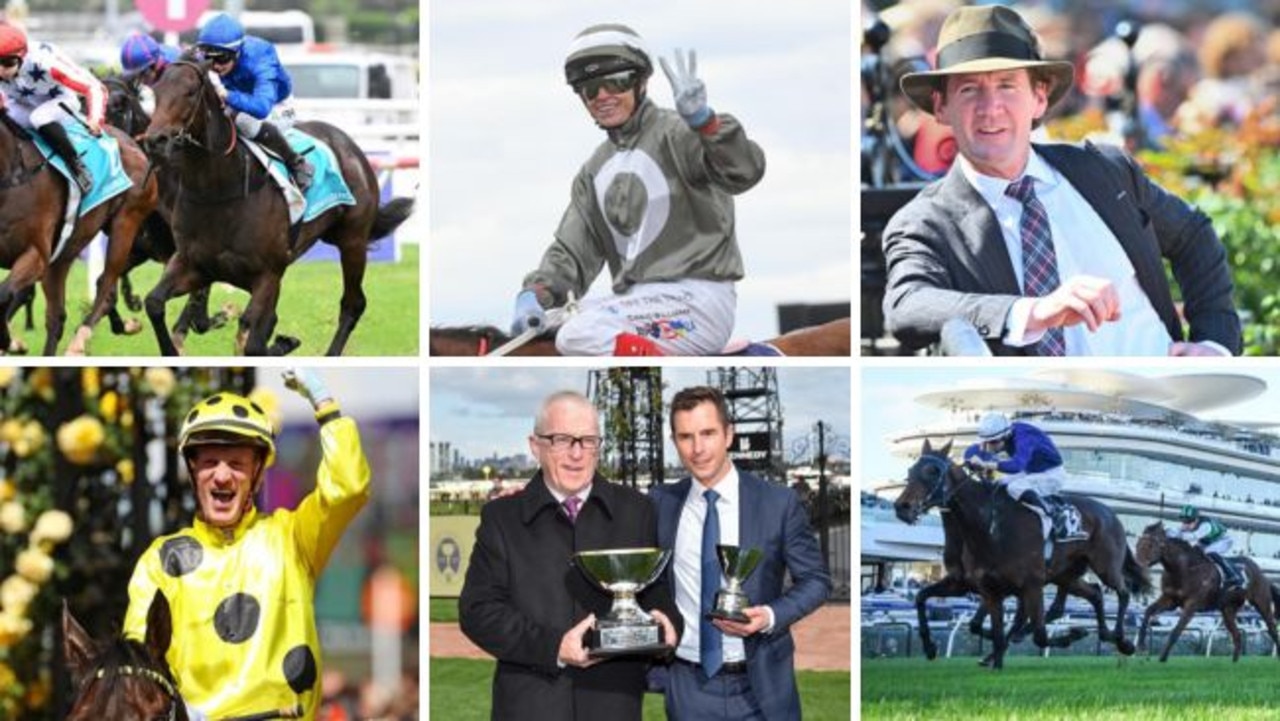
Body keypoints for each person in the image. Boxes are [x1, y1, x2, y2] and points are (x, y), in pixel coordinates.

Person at [880, 5, 1241, 356]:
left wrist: (1215, 345)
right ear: (941, 107)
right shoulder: (925, 222)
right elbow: (908, 304)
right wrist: (1031, 312)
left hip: (1164, 394)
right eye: (969, 90)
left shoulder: (1104, 170)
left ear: (1039, 99)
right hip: (1050, 410)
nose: (991, 108)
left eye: (1007, 85)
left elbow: (1193, 235)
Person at [124, 369, 370, 720]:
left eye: (237, 464)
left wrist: (324, 404)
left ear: (256, 475)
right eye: (209, 462)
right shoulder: (161, 560)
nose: (222, 476)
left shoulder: (291, 539)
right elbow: (139, 658)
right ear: (193, 472)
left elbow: (348, 489)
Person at [511, 23, 766, 357]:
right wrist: (535, 293)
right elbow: (571, 252)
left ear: (642, 81)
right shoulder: (593, 170)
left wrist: (707, 123)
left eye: (615, 82)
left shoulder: (680, 133)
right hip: (637, 302)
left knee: (578, 334)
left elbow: (744, 172)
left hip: (699, 300)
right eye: (589, 88)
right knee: (550, 333)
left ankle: (657, 384)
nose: (602, 96)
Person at [459, 390, 680, 720]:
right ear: (536, 446)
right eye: (562, 440)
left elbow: (655, 589)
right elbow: (478, 611)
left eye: (588, 441)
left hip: (613, 704)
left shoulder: (637, 510)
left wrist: (668, 620)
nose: (577, 454)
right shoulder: (502, 518)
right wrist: (553, 648)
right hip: (530, 706)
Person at [650, 386, 830, 720]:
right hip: (689, 686)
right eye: (686, 436)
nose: (698, 448)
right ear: (674, 442)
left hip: (760, 686)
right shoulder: (660, 504)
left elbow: (816, 581)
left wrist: (770, 616)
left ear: (729, 434)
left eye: (708, 433)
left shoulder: (778, 502)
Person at [195, 13, 314, 190]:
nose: (215, 66)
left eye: (222, 59)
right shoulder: (211, 55)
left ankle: (297, 163)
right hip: (238, 98)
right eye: (209, 59)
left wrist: (227, 96)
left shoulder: (261, 57)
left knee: (245, 123)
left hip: (275, 104)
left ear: (237, 52)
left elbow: (261, 108)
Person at [0, 22, 103, 193]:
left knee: (39, 118)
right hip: (24, 103)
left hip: (61, 100)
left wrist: (95, 118)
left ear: (23, 56)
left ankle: (76, 164)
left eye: (7, 63)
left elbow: (94, 87)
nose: (0, 71)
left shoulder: (44, 62)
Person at [963, 411, 1086, 542]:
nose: (988, 447)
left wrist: (986, 464)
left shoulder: (1024, 437)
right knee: (999, 483)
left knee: (1015, 488)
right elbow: (980, 450)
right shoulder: (1005, 433)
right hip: (1032, 471)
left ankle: (1055, 515)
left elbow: (1017, 466)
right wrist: (970, 459)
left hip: (1052, 473)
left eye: (992, 442)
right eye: (986, 442)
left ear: (1005, 436)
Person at [1172, 505, 1242, 588]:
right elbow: (1175, 531)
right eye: (1184, 521)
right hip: (1208, 541)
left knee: (1209, 552)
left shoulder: (1205, 526)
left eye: (1189, 521)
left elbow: (1194, 536)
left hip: (1223, 540)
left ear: (1196, 519)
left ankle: (1232, 575)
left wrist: (1178, 535)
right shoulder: (1189, 524)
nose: (1186, 524)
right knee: (1193, 551)